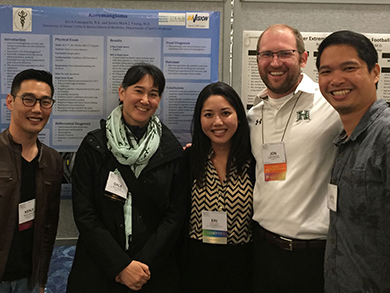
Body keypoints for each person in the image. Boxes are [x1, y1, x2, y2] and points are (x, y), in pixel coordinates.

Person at [67, 63, 184, 293]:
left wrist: (142, 266)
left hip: (152, 273)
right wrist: (120, 265)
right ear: (122, 92)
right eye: (138, 90)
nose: (145, 100)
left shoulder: (170, 150)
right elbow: (84, 212)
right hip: (99, 270)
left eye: (153, 94)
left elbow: (175, 214)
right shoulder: (95, 146)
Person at [247, 24, 342, 292]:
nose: (274, 62)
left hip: (315, 256)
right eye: (266, 54)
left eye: (284, 53)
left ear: (303, 58)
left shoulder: (331, 105)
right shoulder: (253, 115)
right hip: (264, 251)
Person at [316, 30, 390, 292]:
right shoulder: (345, 139)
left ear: (375, 72)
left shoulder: (385, 135)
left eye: (349, 68)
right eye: (326, 72)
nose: (336, 80)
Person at [178, 82, 254, 293]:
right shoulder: (189, 160)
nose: (217, 122)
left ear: (238, 115)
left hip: (243, 264)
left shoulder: (253, 160)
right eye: (208, 114)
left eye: (226, 113)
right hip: (196, 264)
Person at [0, 69, 63, 293]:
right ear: (10, 101)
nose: (37, 109)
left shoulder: (53, 161)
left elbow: (48, 228)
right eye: (28, 99)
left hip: (29, 281)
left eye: (45, 102)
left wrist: (42, 280)